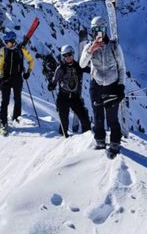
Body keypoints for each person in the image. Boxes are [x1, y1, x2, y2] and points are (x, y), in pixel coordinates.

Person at [79, 15, 126, 156]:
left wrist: (121, 86)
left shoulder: (114, 46)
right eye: (95, 30)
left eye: (101, 29)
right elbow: (82, 65)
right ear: (92, 31)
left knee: (112, 117)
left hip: (112, 85)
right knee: (98, 116)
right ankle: (99, 141)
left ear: (105, 30)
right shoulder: (89, 47)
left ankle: (115, 142)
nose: (98, 32)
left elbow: (122, 68)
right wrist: (90, 50)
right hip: (97, 86)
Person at [0, 30, 34, 133]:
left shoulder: (21, 49)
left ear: (12, 41)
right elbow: (0, 64)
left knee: (17, 99)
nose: (5, 43)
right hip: (6, 79)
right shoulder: (4, 50)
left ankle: (17, 117)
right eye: (5, 41)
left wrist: (28, 72)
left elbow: (31, 60)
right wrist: (1, 76)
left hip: (17, 79)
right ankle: (3, 121)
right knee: (5, 101)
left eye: (7, 41)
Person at [48, 44, 90, 137]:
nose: (68, 57)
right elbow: (54, 80)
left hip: (75, 97)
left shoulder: (78, 66)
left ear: (73, 54)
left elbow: (89, 70)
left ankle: (87, 138)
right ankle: (63, 139)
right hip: (63, 97)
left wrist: (96, 69)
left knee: (84, 118)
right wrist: (51, 86)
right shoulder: (60, 68)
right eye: (65, 55)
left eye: (69, 54)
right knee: (64, 123)